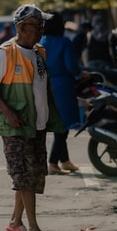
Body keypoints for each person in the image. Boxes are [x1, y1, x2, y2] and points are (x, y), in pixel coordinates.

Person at [0, 3, 63, 231]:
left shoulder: (40, 52)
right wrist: (8, 112)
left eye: (42, 26)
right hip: (16, 125)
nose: (41, 30)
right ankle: (33, 228)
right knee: (25, 175)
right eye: (36, 26)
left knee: (34, 174)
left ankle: (15, 222)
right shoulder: (5, 52)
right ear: (20, 27)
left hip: (37, 124)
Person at [40, 12, 82, 175]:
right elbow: (71, 65)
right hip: (63, 85)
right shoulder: (64, 42)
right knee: (63, 126)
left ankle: (64, 161)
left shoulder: (41, 43)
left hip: (47, 85)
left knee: (58, 123)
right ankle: (52, 162)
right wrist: (80, 74)